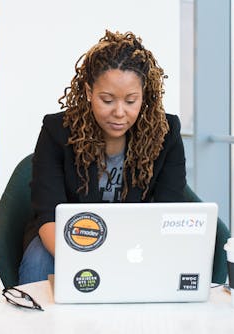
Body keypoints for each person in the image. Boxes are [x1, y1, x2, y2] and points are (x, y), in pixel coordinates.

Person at [19, 30, 187, 284]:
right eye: (107, 100)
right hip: (67, 238)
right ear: (88, 91)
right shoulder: (57, 131)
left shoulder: (165, 132)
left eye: (131, 101)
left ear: (145, 95)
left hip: (135, 240)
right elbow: (48, 213)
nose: (120, 113)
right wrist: (90, 261)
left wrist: (125, 257)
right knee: (39, 259)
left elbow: (168, 212)